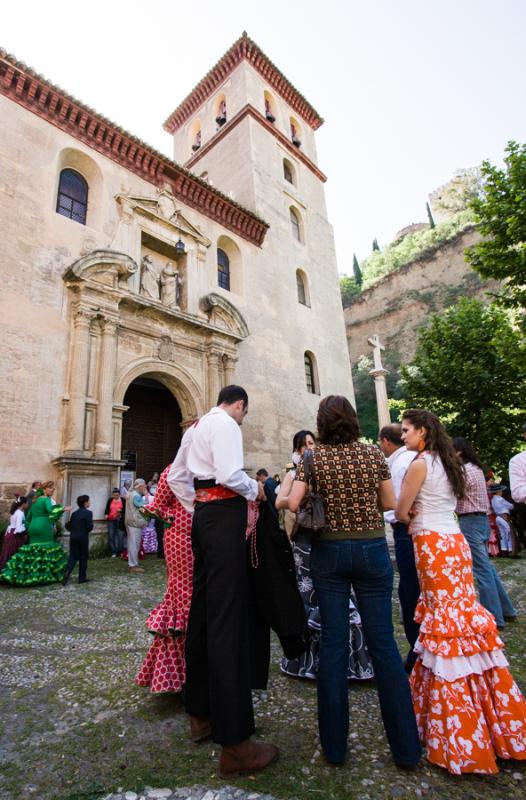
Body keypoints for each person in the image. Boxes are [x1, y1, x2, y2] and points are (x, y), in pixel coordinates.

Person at [282, 396, 421, 769]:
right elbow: (389, 502)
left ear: (323, 423)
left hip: (329, 553)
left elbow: (294, 504)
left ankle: (335, 748)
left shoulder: (313, 458)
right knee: (385, 645)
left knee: (333, 645)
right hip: (372, 551)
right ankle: (407, 750)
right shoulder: (373, 455)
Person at [396, 408, 526, 775]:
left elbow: (402, 511)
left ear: (422, 431)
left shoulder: (419, 464)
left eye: (407, 430)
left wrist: (410, 514)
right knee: (463, 623)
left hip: (432, 544)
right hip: (454, 541)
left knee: (443, 626)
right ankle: (491, 713)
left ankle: (457, 723)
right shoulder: (451, 464)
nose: (403, 436)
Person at [170, 385, 278, 777]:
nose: (243, 419)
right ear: (239, 405)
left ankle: (199, 715)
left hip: (203, 520)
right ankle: (236, 744)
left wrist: (199, 508)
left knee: (202, 613)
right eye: (244, 413)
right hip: (225, 519)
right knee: (227, 620)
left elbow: (178, 479)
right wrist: (257, 491)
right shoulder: (228, 425)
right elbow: (232, 475)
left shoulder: (195, 428)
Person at [277, 429, 373, 682]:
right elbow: (280, 502)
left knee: (341, 596)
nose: (310, 447)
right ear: (297, 450)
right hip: (306, 539)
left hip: (329, 539)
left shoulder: (324, 467)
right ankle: (309, 661)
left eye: (313, 443)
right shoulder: (294, 472)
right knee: (309, 596)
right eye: (305, 444)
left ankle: (352, 661)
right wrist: (301, 499)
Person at [136, 462, 194, 693]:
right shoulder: (174, 470)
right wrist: (179, 515)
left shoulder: (209, 467)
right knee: (183, 597)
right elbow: (157, 506)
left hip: (206, 538)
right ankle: (176, 672)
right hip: (180, 539)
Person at [452, 437, 517, 628]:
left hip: (470, 520)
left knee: (481, 570)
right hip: (480, 519)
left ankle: (495, 617)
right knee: (487, 568)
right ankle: (507, 610)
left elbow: (455, 495)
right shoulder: (477, 469)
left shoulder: (465, 472)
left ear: (459, 452)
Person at [378, 423, 420, 672]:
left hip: (407, 532)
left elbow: (397, 507)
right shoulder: (415, 459)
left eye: (408, 431)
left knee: (410, 592)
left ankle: (417, 651)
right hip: (416, 531)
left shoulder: (402, 463)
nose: (405, 437)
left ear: (385, 441)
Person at [0, 481, 69, 586]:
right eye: (50, 488)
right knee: (46, 549)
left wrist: (29, 528)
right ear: (44, 489)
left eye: (53, 488)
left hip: (33, 526)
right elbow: (51, 511)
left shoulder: (35, 501)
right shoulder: (46, 499)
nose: (53, 490)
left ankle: (23, 574)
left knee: (33, 550)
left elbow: (27, 518)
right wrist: (63, 509)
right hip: (43, 526)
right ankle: (43, 576)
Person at [63, 495, 93, 585]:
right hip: (83, 536)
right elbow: (89, 526)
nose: (89, 503)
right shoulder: (88, 513)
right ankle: (82, 577)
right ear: (85, 503)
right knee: (83, 557)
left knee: (73, 556)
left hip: (73, 536)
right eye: (89, 501)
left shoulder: (74, 513)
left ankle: (67, 571)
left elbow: (70, 525)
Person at [125, 479, 148, 574]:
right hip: (135, 522)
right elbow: (145, 506)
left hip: (130, 521)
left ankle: (132, 564)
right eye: (144, 486)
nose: (145, 488)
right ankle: (133, 565)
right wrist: (146, 496)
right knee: (134, 544)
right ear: (140, 486)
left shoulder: (130, 493)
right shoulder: (136, 496)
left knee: (132, 544)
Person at [0, 497, 28, 570]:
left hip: (10, 534)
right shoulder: (20, 513)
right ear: (23, 504)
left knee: (7, 554)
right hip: (15, 537)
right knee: (14, 555)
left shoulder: (14, 512)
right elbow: (19, 527)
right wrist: (26, 531)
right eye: (27, 503)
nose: (28, 504)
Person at [490, 485, 515, 555]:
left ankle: (504, 549)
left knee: (502, 534)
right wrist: (513, 505)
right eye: (501, 491)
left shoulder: (492, 499)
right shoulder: (500, 499)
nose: (502, 492)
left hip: (498, 517)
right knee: (508, 533)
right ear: (498, 492)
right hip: (504, 517)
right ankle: (510, 550)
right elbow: (510, 506)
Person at [104, 488, 124, 557]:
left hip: (120, 520)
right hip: (111, 520)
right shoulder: (110, 500)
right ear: (112, 495)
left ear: (119, 495)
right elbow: (107, 509)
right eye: (114, 495)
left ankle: (121, 552)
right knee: (111, 536)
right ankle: (114, 552)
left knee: (120, 536)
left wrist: (120, 512)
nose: (116, 496)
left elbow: (126, 511)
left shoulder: (123, 500)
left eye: (117, 495)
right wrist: (106, 514)